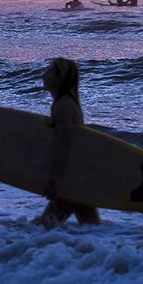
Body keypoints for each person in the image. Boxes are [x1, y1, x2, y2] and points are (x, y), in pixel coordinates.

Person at [38, 58, 100, 229]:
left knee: (46, 227)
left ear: (60, 78)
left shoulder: (63, 106)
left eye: (49, 71)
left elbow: (63, 145)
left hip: (71, 179)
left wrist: (53, 179)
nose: (44, 75)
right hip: (79, 178)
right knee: (92, 228)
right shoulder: (66, 102)